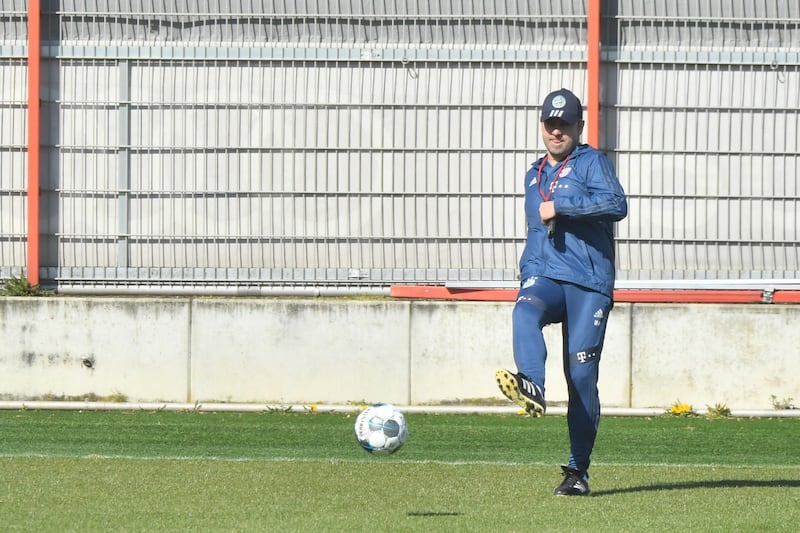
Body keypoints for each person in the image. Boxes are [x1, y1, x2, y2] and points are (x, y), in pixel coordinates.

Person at [495, 88, 628, 496]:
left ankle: (577, 472)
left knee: (581, 375)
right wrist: (528, 274)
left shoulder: (592, 163)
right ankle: (532, 384)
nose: (557, 132)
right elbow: (537, 232)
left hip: (589, 283)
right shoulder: (532, 174)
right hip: (548, 276)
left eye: (565, 125)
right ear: (542, 127)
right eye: (551, 125)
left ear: (578, 127)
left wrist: (564, 205)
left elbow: (617, 204)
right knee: (524, 310)